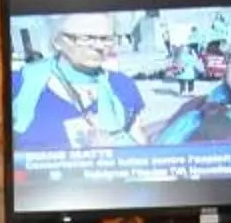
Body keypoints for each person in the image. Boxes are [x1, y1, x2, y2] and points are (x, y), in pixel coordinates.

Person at [9, 15, 147, 151]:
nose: (99, 46)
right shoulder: (18, 84)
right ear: (57, 41)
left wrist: (113, 147)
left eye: (106, 38)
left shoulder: (122, 84)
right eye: (86, 38)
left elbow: (143, 148)